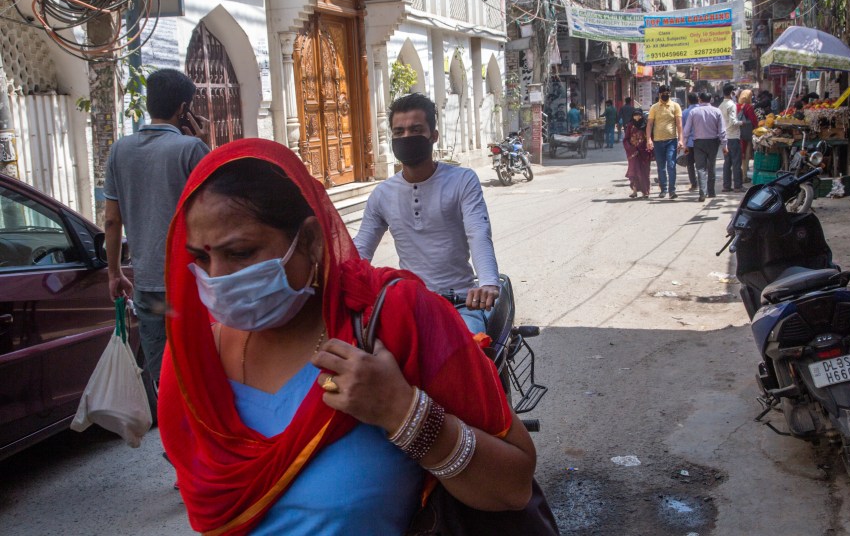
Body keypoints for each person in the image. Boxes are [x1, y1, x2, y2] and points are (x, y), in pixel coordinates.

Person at [157, 139, 536, 535]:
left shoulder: (396, 321)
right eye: (201, 258)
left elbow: (514, 486)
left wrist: (404, 413)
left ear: (310, 241)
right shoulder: (193, 364)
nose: (217, 278)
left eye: (240, 253)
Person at [354, 93, 500, 335]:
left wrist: (487, 283)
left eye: (415, 129)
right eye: (398, 132)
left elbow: (478, 232)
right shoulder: (382, 194)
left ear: (434, 136)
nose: (406, 137)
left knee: (468, 354)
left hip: (462, 302)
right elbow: (361, 249)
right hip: (410, 303)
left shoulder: (462, 180)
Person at [103, 68, 210, 386]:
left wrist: (114, 273)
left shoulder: (119, 150)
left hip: (150, 286)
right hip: (190, 283)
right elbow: (220, 208)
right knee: (201, 371)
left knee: (165, 377)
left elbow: (111, 221)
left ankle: (172, 434)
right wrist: (203, 144)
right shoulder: (192, 150)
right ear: (183, 110)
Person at [682, 92, 727, 203]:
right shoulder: (717, 111)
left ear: (699, 100)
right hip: (713, 142)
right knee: (711, 166)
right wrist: (724, 145)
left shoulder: (693, 112)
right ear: (710, 99)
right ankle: (711, 192)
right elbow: (722, 130)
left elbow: (686, 130)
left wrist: (685, 144)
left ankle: (702, 191)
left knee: (700, 168)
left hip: (698, 143)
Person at [646, 84, 683, 199]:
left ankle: (672, 190)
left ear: (670, 93)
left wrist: (681, 140)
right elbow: (650, 124)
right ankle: (664, 189)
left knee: (671, 165)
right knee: (661, 167)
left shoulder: (675, 106)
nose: (665, 95)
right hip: (657, 141)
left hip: (671, 141)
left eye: (667, 93)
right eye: (663, 93)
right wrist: (648, 139)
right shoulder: (654, 107)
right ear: (659, 94)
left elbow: (679, 124)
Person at [719, 83, 745, 193]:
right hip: (733, 136)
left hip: (725, 137)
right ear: (732, 93)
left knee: (727, 162)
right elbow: (733, 122)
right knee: (736, 162)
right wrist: (742, 122)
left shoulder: (721, 105)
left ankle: (726, 185)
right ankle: (738, 186)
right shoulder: (732, 104)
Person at [623, 107, 652, 199]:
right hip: (633, 153)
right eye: (635, 115)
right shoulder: (630, 126)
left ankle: (645, 192)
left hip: (644, 152)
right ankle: (634, 191)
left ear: (641, 115)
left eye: (639, 115)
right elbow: (626, 139)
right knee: (634, 172)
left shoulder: (646, 125)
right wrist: (630, 149)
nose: (637, 117)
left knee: (645, 172)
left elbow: (650, 137)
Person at [737, 89, 759, 184]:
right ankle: (744, 176)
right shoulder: (749, 107)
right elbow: (754, 121)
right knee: (746, 156)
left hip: (736, 134)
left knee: (738, 155)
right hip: (746, 134)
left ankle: (738, 175)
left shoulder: (736, 106)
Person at [681, 93, 700, 192]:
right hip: (701, 142)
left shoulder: (685, 112)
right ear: (698, 99)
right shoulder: (702, 111)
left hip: (689, 143)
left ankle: (694, 184)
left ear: (688, 100)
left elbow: (683, 129)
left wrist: (683, 144)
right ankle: (702, 183)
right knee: (701, 164)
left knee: (690, 164)